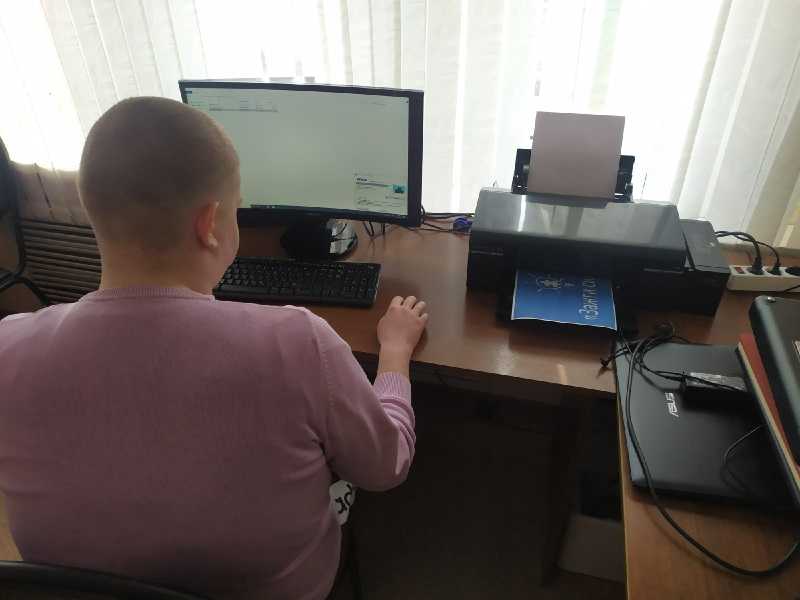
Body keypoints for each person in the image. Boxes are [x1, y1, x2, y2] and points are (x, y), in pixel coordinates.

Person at [0, 97, 427, 600]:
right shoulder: (297, 343)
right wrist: (394, 352)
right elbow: (385, 466)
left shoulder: (8, 348)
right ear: (209, 225)